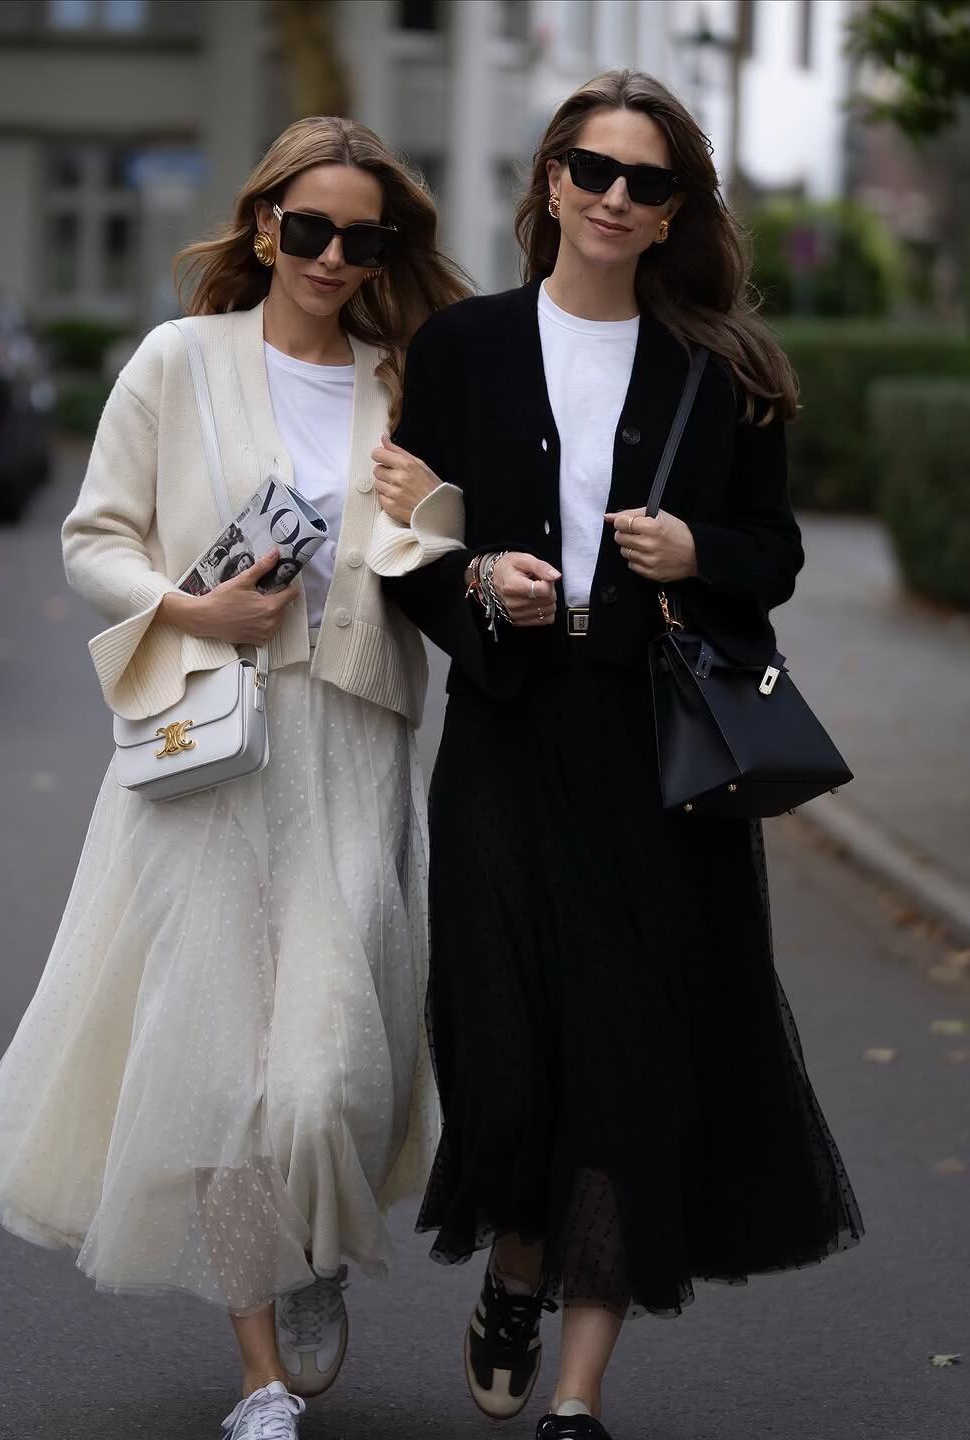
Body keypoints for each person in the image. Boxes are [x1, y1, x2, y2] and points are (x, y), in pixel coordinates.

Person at [0, 116, 467, 1440]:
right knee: (221, 1071)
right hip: (212, 743)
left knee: (334, 1068)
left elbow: (435, 564)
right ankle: (260, 1376)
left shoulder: (403, 383)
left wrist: (431, 509)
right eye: (310, 228)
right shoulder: (177, 361)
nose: (333, 257)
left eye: (362, 239)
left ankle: (316, 1247)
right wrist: (189, 607)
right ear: (265, 224)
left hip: (354, 740)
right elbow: (93, 536)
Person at [370, 70, 864, 1440]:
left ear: (672, 213)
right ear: (552, 180)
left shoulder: (720, 369)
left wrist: (698, 552)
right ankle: (514, 1275)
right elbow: (406, 547)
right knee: (508, 1052)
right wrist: (480, 584)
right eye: (593, 169)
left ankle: (578, 1399)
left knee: (631, 1060)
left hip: (658, 755)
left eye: (646, 182)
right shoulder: (465, 347)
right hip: (510, 735)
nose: (614, 197)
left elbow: (774, 555)